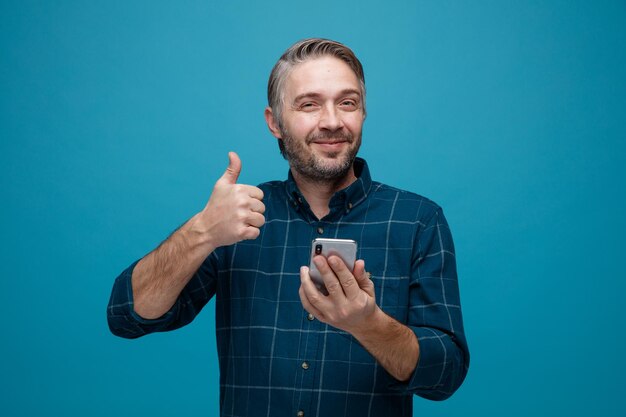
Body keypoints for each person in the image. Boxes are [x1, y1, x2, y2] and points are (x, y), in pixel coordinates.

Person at [107, 38, 469, 416]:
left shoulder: (418, 220)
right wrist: (202, 231)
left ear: (362, 112)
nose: (331, 121)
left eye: (347, 102)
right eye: (309, 104)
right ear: (274, 123)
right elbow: (128, 315)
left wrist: (368, 324)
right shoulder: (237, 218)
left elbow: (447, 374)